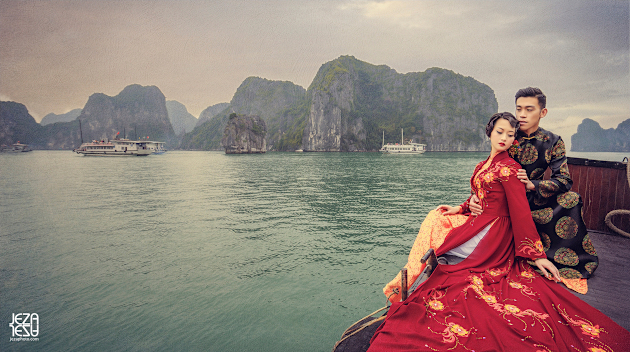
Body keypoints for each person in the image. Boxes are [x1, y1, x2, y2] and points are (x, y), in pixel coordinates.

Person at [368, 112, 630, 351]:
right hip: (479, 221)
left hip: (494, 232)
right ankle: (417, 270)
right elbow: (478, 196)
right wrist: (460, 207)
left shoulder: (509, 168)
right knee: (437, 215)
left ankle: (417, 274)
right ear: (490, 133)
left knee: (443, 242)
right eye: (500, 132)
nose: (505, 137)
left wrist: (535, 254)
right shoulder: (485, 164)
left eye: (510, 134)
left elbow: (519, 213)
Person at [469, 87, 597, 292]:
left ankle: (556, 255)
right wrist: (475, 196)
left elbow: (564, 179)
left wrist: (532, 184)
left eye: (529, 109)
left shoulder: (553, 141)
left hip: (534, 198)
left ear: (542, 113)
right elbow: (489, 169)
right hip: (504, 201)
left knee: (572, 199)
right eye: (519, 108)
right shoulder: (508, 134)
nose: (522, 115)